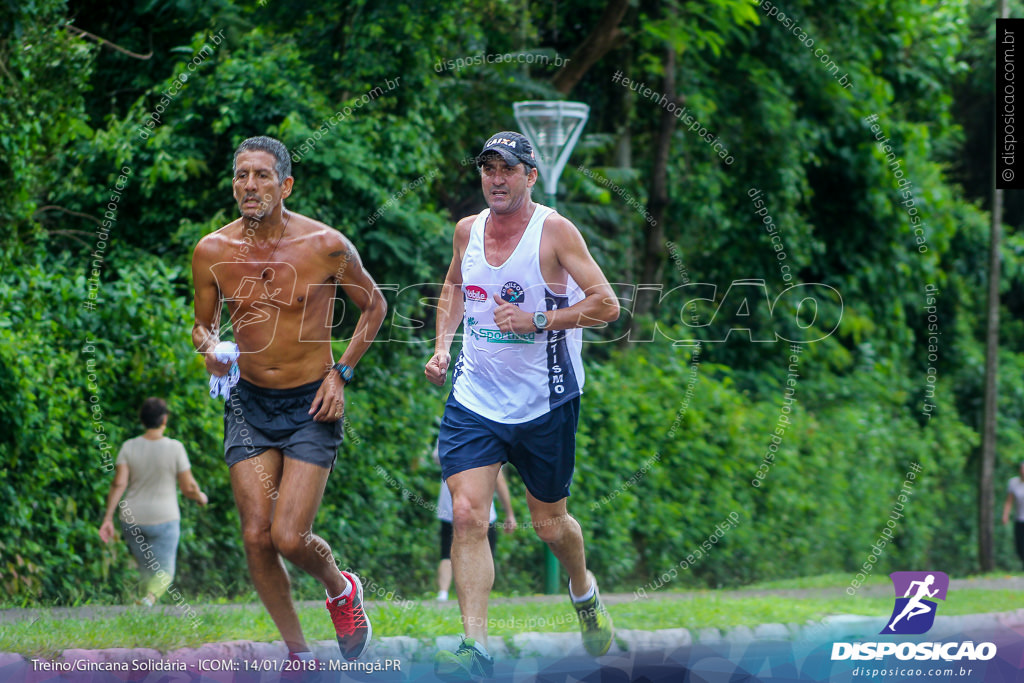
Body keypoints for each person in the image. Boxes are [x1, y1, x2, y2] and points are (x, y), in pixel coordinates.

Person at [425, 131, 620, 679]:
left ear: (530, 176)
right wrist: (442, 346)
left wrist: (540, 319)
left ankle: (584, 594)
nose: (496, 178)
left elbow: (607, 305)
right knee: (466, 515)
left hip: (546, 401)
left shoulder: (553, 231)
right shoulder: (467, 229)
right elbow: (455, 288)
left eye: (507, 169)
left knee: (549, 525)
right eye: (488, 169)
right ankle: (475, 647)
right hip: (475, 398)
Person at [190, 136, 387, 662]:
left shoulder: (325, 246)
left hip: (310, 404)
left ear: (286, 184)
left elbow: (375, 308)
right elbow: (202, 326)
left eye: (261, 176)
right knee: (256, 536)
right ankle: (299, 655)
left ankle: (342, 589)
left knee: (290, 537)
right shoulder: (212, 250)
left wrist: (340, 374)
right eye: (241, 175)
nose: (249, 186)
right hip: (249, 403)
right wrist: (211, 350)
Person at [98, 397, 208, 606]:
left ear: (142, 420)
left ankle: (143, 604)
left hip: (132, 519)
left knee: (146, 567)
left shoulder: (128, 447)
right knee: (164, 571)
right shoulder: (175, 448)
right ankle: (148, 600)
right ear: (164, 419)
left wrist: (107, 518)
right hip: (164, 518)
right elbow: (188, 487)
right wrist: (200, 496)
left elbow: (118, 484)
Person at [437, 466, 516, 601]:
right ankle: (477, 595)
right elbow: (499, 480)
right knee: (483, 554)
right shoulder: (489, 446)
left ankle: (443, 593)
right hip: (481, 512)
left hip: (450, 508)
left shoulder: (446, 444)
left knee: (447, 553)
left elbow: (437, 459)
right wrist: (509, 513)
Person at [1002, 461, 1024, 570]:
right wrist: (1005, 515)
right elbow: (1009, 501)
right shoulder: (1013, 483)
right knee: (1020, 546)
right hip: (1019, 519)